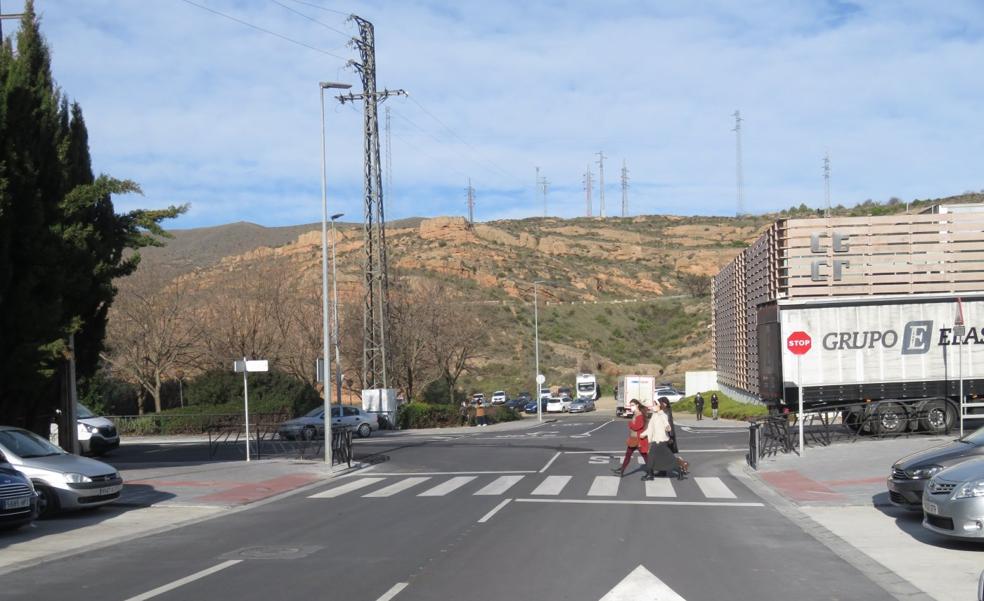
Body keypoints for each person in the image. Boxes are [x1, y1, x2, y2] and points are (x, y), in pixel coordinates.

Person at [642, 401, 680, 480]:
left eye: (654, 405)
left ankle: (680, 469)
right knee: (661, 458)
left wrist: (667, 427)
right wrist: (643, 434)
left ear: (659, 406)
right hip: (656, 440)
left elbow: (667, 424)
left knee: (663, 458)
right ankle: (650, 474)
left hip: (661, 440)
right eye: (652, 405)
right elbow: (650, 428)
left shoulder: (662, 415)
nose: (652, 407)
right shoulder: (654, 416)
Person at [611, 399, 649, 477]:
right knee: (628, 455)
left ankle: (650, 472)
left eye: (632, 405)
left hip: (639, 440)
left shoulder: (640, 415)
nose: (631, 407)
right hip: (633, 439)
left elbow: (636, 427)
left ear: (637, 405)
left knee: (645, 457)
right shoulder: (635, 414)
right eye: (630, 405)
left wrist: (630, 423)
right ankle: (622, 471)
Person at [659, 397, 689, 477]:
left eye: (660, 403)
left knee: (666, 455)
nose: (659, 405)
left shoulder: (666, 412)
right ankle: (663, 471)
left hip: (667, 437)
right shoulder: (664, 411)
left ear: (664, 403)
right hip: (665, 436)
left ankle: (681, 465)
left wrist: (670, 437)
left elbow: (669, 425)